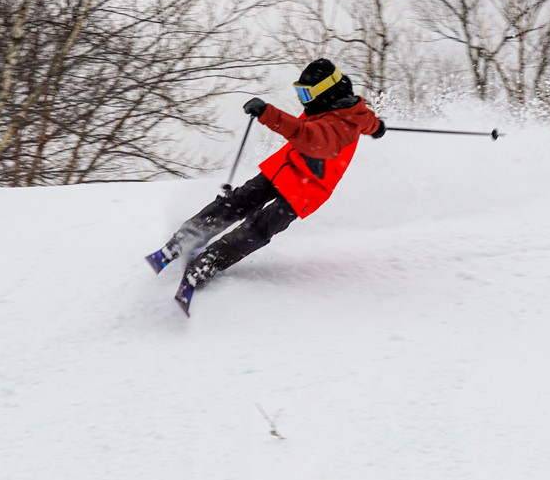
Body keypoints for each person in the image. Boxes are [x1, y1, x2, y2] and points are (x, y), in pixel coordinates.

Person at [148, 58, 386, 299]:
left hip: (308, 188)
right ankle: (185, 238)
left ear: (324, 90)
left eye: (306, 93)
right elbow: (367, 121)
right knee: (237, 201)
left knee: (259, 227)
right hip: (284, 168)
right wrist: (377, 127)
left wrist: (267, 113)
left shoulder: (341, 125)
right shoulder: (346, 108)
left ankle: (209, 262)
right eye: (300, 93)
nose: (302, 100)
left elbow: (308, 135)